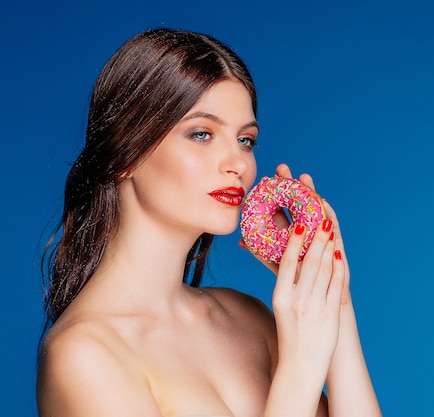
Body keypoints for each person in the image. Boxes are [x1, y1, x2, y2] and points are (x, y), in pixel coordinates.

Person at [37, 28, 382, 417]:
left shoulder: (248, 317)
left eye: (245, 140)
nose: (238, 163)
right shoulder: (83, 354)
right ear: (125, 154)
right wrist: (300, 370)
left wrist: (336, 303)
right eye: (202, 134)